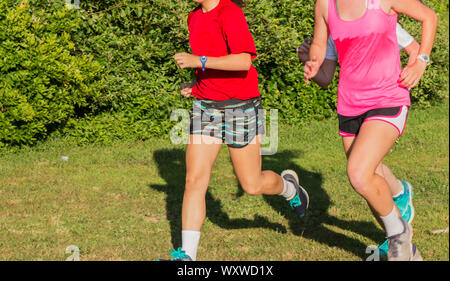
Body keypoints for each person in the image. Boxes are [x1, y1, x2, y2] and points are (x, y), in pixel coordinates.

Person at [158, 0, 309, 261]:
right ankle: (187, 256)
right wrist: (196, 84)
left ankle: (290, 188)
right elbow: (212, 64)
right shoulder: (193, 18)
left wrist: (199, 61)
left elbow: (243, 62)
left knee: (251, 184)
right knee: (194, 180)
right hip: (205, 106)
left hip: (240, 108)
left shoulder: (230, 12)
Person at [304, 0, 437, 261]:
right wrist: (312, 64)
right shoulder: (325, 5)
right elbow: (321, 50)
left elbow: (429, 17)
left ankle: (398, 235)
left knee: (358, 172)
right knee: (368, 177)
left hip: (388, 97)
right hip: (350, 105)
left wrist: (421, 60)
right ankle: (407, 251)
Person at [297, 23, 420, 88]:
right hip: (351, 102)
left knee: (368, 137)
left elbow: (415, 49)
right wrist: (306, 60)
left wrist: (409, 78)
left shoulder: (381, 20)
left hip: (387, 99)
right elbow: (325, 80)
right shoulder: (332, 33)